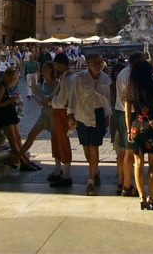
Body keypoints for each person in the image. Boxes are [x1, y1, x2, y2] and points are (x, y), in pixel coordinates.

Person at [68, 52, 111, 196]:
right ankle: (95, 168)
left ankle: (90, 181)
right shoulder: (80, 77)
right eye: (95, 63)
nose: (98, 65)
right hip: (82, 114)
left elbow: (107, 98)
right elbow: (73, 96)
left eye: (100, 62)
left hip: (98, 115)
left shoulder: (105, 78)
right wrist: (70, 115)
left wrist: (107, 115)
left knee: (94, 147)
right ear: (87, 64)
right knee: (86, 148)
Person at [124, 59, 153, 210]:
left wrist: (129, 130)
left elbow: (127, 114)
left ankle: (141, 197)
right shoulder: (151, 88)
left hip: (136, 127)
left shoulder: (130, 89)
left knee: (138, 164)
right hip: (151, 127)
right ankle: (152, 198)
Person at [0, 69, 39, 171]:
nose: (13, 80)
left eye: (14, 78)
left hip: (11, 113)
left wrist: (15, 101)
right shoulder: (1, 87)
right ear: (6, 77)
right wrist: (10, 101)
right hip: (4, 115)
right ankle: (22, 162)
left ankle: (27, 160)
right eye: (11, 78)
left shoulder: (11, 87)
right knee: (12, 139)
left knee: (18, 138)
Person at [114, 51, 145, 197]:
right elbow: (130, 99)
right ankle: (127, 186)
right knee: (130, 151)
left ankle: (121, 182)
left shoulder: (122, 72)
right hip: (129, 113)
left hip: (119, 111)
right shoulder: (132, 75)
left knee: (122, 149)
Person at [17, 62, 58, 165]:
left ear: (51, 70)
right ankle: (17, 157)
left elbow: (59, 99)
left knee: (55, 140)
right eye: (42, 67)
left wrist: (47, 101)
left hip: (53, 113)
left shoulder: (56, 83)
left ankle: (58, 166)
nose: (42, 69)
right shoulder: (44, 82)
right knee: (31, 135)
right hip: (44, 113)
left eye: (45, 68)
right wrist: (38, 97)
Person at [48, 53, 76, 188]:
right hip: (60, 112)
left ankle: (66, 174)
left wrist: (51, 102)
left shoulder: (68, 79)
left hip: (62, 112)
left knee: (62, 141)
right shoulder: (67, 77)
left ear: (60, 64)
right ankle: (58, 170)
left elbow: (62, 100)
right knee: (57, 140)